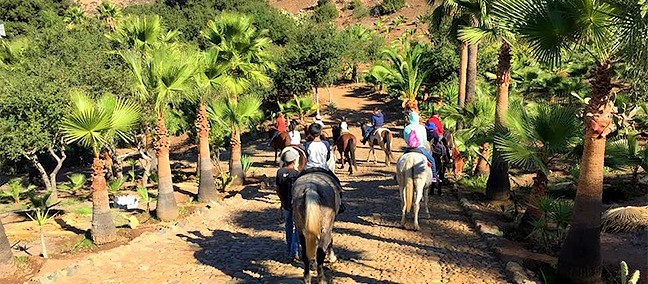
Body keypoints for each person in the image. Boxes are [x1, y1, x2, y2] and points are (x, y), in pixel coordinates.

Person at [301, 123, 346, 213]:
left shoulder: (306, 145)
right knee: (337, 183)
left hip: (309, 169)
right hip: (323, 169)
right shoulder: (325, 144)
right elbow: (328, 157)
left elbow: (305, 156)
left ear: (310, 133)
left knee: (295, 182)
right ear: (320, 132)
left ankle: (291, 202)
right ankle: (340, 203)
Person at [275, 150, 300, 262]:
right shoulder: (297, 174)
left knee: (288, 226)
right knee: (297, 227)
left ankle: (289, 248)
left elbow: (278, 189)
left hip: (285, 202)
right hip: (295, 203)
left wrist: (281, 202)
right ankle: (294, 251)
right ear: (294, 161)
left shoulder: (279, 172)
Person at [403, 111, 438, 181]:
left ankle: (397, 175)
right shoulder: (422, 128)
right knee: (432, 160)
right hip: (420, 148)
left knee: (400, 161)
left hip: (409, 149)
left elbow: (406, 140)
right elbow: (424, 140)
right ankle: (434, 176)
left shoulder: (407, 128)